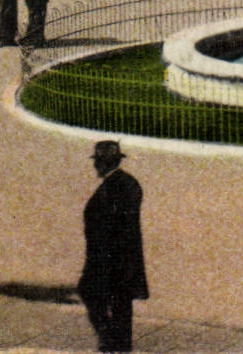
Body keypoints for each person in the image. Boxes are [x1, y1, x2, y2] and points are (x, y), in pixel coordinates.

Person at [78, 141, 149, 353]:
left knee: (90, 292)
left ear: (102, 164)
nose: (95, 167)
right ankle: (118, 343)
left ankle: (109, 339)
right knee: (121, 304)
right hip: (126, 259)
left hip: (107, 259)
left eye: (97, 162)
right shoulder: (129, 183)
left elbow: (105, 227)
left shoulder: (112, 188)